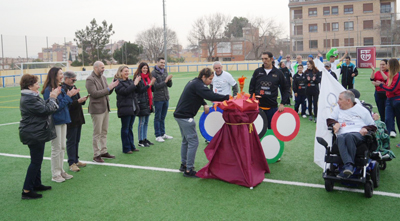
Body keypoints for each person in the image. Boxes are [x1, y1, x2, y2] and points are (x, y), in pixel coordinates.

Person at [174, 68, 230, 178]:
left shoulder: (195, 82)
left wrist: (204, 103)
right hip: (185, 118)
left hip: (180, 116)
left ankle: (184, 164)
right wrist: (228, 97)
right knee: (193, 142)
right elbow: (211, 96)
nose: (211, 81)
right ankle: (189, 170)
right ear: (203, 77)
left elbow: (198, 95)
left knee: (186, 141)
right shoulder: (199, 85)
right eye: (210, 79)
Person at [19, 74, 61, 199]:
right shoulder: (29, 99)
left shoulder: (31, 96)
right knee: (35, 162)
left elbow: (44, 107)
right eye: (36, 83)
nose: (38, 85)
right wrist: (53, 98)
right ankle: (26, 191)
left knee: (37, 160)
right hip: (33, 133)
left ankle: (36, 184)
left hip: (35, 132)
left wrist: (52, 98)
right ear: (30, 86)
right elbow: (46, 110)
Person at [326, 90, 376, 178]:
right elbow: (329, 120)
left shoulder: (361, 110)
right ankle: (349, 165)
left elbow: (373, 125)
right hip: (342, 133)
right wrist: (335, 123)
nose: (338, 101)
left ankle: (348, 166)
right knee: (340, 137)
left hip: (358, 134)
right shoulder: (338, 108)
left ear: (348, 101)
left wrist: (365, 128)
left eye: (340, 99)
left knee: (349, 136)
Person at [42, 67, 78, 183]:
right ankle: (55, 174)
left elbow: (64, 104)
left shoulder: (61, 88)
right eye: (60, 74)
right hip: (56, 121)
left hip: (64, 119)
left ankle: (61, 170)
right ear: (54, 75)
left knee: (62, 147)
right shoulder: (49, 90)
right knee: (56, 148)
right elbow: (55, 107)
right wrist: (68, 97)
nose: (62, 76)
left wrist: (68, 97)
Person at [86, 61, 120, 163]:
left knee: (104, 131)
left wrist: (112, 86)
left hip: (105, 108)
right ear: (95, 68)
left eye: (103, 67)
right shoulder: (89, 79)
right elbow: (94, 94)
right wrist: (109, 88)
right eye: (101, 67)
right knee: (97, 133)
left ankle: (104, 151)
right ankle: (96, 154)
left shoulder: (103, 78)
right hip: (97, 109)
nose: (103, 69)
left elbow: (107, 91)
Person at [249, 51, 289, 129]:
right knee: (258, 130)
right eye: (262, 59)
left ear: (271, 59)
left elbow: (286, 88)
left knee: (271, 131)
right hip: (258, 108)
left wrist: (282, 103)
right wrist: (252, 100)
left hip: (272, 108)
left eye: (266, 59)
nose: (264, 61)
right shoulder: (257, 72)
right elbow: (251, 87)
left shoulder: (278, 73)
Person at [61, 71, 88, 172]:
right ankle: (71, 163)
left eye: (75, 79)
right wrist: (78, 102)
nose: (74, 81)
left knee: (77, 140)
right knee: (71, 141)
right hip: (70, 118)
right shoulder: (63, 89)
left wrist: (82, 100)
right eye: (73, 79)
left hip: (78, 117)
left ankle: (76, 160)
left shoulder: (74, 87)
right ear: (66, 78)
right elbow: (67, 105)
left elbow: (76, 101)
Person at [372, 58, 400, 141]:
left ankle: (392, 132)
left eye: (387, 64)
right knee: (387, 119)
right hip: (389, 100)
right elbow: (388, 86)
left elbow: (392, 89)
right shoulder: (391, 75)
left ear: (391, 65)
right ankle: (387, 136)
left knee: (399, 121)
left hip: (397, 100)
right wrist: (382, 84)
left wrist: (380, 85)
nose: (386, 65)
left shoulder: (398, 75)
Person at [151, 57, 173, 142]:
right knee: (158, 117)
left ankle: (163, 133)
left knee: (163, 117)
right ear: (157, 62)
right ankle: (158, 135)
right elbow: (155, 86)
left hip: (165, 97)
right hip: (158, 98)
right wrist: (166, 81)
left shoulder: (165, 71)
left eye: (164, 63)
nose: (163, 64)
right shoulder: (153, 73)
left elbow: (169, 85)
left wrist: (169, 81)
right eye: (161, 62)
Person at [134, 62, 156, 147]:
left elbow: (152, 89)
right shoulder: (138, 78)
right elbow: (139, 90)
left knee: (146, 122)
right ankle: (140, 140)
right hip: (141, 102)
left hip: (148, 101)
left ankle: (145, 138)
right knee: (141, 122)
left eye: (146, 68)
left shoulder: (148, 77)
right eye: (143, 68)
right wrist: (150, 84)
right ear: (140, 68)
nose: (145, 69)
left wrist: (152, 84)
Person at [370, 60, 394, 137]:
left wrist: (381, 73)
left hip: (387, 95)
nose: (382, 66)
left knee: (389, 114)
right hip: (378, 94)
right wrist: (373, 71)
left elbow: (387, 79)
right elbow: (371, 79)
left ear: (387, 65)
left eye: (383, 64)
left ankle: (392, 130)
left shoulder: (389, 73)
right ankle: (384, 129)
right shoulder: (377, 72)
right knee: (381, 112)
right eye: (380, 65)